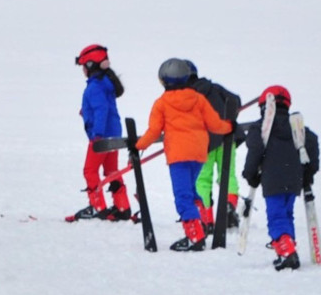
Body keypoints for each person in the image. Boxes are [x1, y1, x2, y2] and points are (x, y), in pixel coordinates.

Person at [132, 58, 233, 251]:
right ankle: (202, 223)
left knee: (182, 196)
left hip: (178, 156)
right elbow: (215, 124)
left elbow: (154, 131)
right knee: (192, 190)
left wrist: (138, 145)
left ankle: (195, 236)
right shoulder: (198, 99)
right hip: (199, 153)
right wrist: (229, 126)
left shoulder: (161, 103)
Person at [242, 85, 319, 271]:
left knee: (276, 217)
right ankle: (288, 246)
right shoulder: (298, 129)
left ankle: (286, 251)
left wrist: (250, 174)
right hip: (294, 179)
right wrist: (308, 173)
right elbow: (311, 142)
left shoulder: (261, 128)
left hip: (273, 179)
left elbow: (255, 151)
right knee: (286, 214)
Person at [72, 44, 132, 221]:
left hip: (101, 138)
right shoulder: (105, 83)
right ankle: (122, 207)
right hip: (113, 135)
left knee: (90, 171)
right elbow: (103, 108)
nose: (82, 70)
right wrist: (86, 112)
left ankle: (97, 207)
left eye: (83, 66)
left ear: (90, 66)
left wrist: (97, 135)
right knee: (112, 171)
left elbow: (101, 110)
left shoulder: (95, 86)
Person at [185, 60, 243, 233]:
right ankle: (229, 206)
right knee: (228, 175)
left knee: (202, 179)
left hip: (204, 143)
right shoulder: (214, 87)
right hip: (227, 138)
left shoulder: (187, 96)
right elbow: (235, 101)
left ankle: (206, 218)